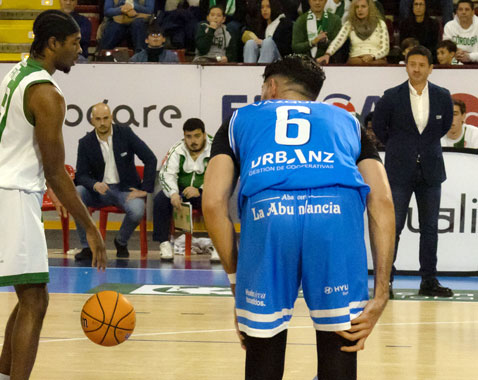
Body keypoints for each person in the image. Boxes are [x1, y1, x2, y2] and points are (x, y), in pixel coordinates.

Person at [203, 54, 394, 380]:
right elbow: (383, 201)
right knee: (341, 344)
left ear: (272, 87)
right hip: (334, 216)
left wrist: (238, 279)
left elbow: (212, 203)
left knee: (262, 346)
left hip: (270, 216)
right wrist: (381, 291)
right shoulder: (347, 121)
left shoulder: (239, 119)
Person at [0, 10, 106, 380]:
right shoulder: (46, 93)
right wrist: (89, 228)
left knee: (31, 295)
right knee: (35, 300)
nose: (81, 49)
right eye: (75, 43)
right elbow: (56, 171)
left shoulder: (20, 70)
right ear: (53, 44)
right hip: (7, 193)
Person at [372, 46, 454, 298]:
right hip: (398, 170)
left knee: (430, 228)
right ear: (406, 66)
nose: (416, 69)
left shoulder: (442, 96)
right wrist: (403, 148)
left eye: (421, 65)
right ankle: (386, 282)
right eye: (412, 64)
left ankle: (429, 280)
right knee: (392, 228)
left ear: (431, 68)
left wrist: (420, 148)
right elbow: (378, 127)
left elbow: (444, 126)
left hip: (431, 170)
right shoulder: (391, 96)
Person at [73, 102, 157, 260]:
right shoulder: (85, 143)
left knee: (138, 209)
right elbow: (81, 175)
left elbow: (150, 158)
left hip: (125, 190)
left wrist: (145, 188)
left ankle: (121, 241)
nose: (103, 123)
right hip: (98, 192)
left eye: (106, 118)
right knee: (76, 195)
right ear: (92, 121)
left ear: (111, 117)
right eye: (98, 119)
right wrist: (94, 184)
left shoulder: (125, 133)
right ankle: (87, 246)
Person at [156, 118, 215, 261]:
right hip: (181, 190)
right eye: (188, 137)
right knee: (160, 200)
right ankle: (164, 243)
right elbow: (166, 174)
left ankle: (219, 245)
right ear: (184, 137)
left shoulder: (216, 147)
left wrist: (201, 189)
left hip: (207, 190)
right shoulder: (177, 149)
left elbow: (221, 175)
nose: (193, 141)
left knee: (215, 204)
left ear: (204, 135)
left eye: (197, 136)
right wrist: (173, 193)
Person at [317, 0, 389, 65]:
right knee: (357, 62)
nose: (359, 10)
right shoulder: (349, 24)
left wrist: (372, 56)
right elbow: (338, 40)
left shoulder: (380, 23)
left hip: (376, 60)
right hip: (356, 60)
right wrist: (327, 54)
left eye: (363, 6)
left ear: (369, 8)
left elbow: (385, 49)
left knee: (377, 63)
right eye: (356, 7)